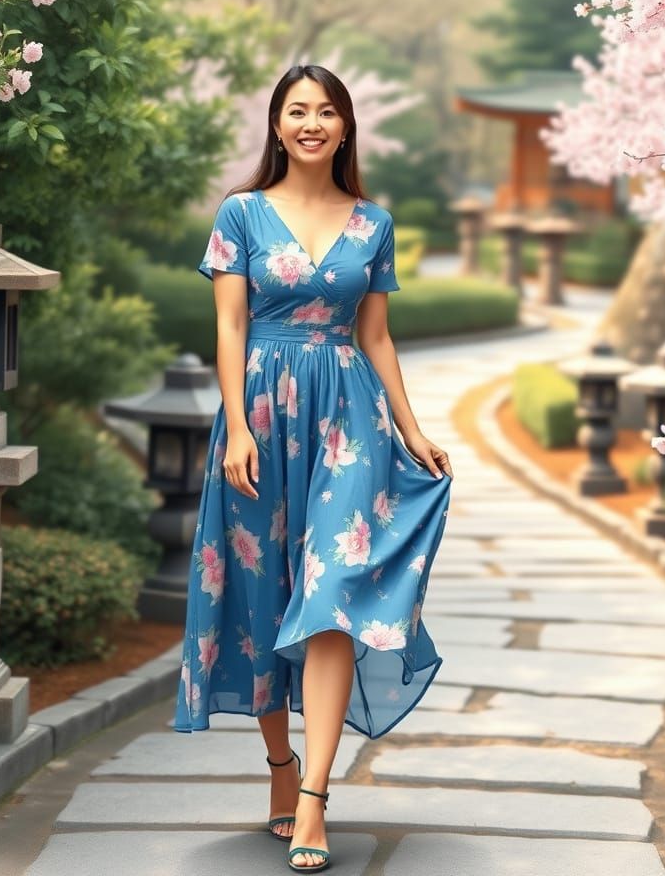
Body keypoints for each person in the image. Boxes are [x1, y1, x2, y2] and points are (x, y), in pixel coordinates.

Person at [173, 63, 453, 873]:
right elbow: (228, 327)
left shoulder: (374, 223)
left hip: (348, 423)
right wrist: (232, 429)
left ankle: (315, 799)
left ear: (345, 126)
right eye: (297, 110)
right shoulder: (241, 214)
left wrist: (412, 428)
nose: (311, 123)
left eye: (326, 111)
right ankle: (280, 766)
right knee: (264, 601)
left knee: (331, 591)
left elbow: (376, 337)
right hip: (258, 415)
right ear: (276, 124)